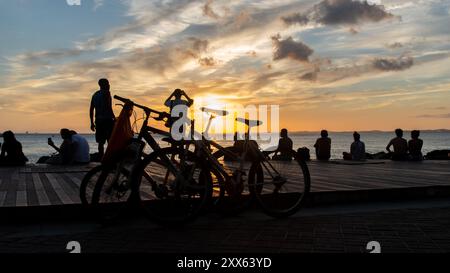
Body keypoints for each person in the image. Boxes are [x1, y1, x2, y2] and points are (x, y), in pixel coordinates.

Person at [90, 78, 116, 159]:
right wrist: (114, 118)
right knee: (110, 141)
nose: (109, 85)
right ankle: (110, 159)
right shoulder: (107, 93)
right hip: (107, 120)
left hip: (98, 120)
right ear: (104, 85)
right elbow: (108, 107)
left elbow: (91, 109)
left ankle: (102, 159)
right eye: (108, 83)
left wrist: (92, 123)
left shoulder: (95, 95)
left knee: (100, 142)